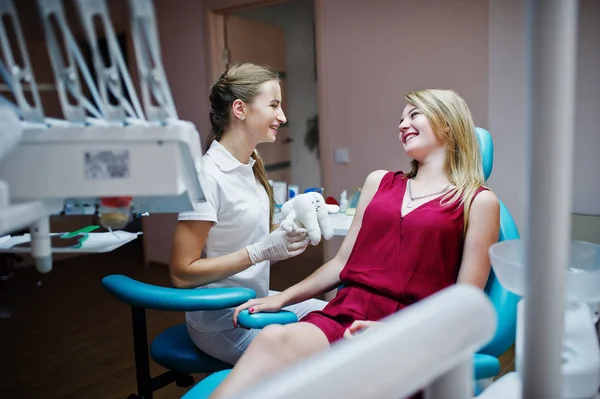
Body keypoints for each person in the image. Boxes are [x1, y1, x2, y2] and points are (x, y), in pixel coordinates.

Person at [209, 88, 501, 398]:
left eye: (414, 115)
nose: (402, 125)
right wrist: (281, 299)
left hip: (414, 330)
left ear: (448, 123)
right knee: (272, 340)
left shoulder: (478, 202)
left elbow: (465, 302)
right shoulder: (379, 182)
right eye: (400, 119)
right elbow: (341, 263)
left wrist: (398, 333)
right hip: (349, 312)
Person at [169, 63, 327, 365]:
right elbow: (181, 273)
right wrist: (260, 251)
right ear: (240, 109)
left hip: (255, 301)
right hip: (220, 320)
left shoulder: (252, 164)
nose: (282, 117)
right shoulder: (207, 176)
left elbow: (251, 235)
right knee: (313, 357)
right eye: (274, 105)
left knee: (339, 317)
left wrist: (291, 227)